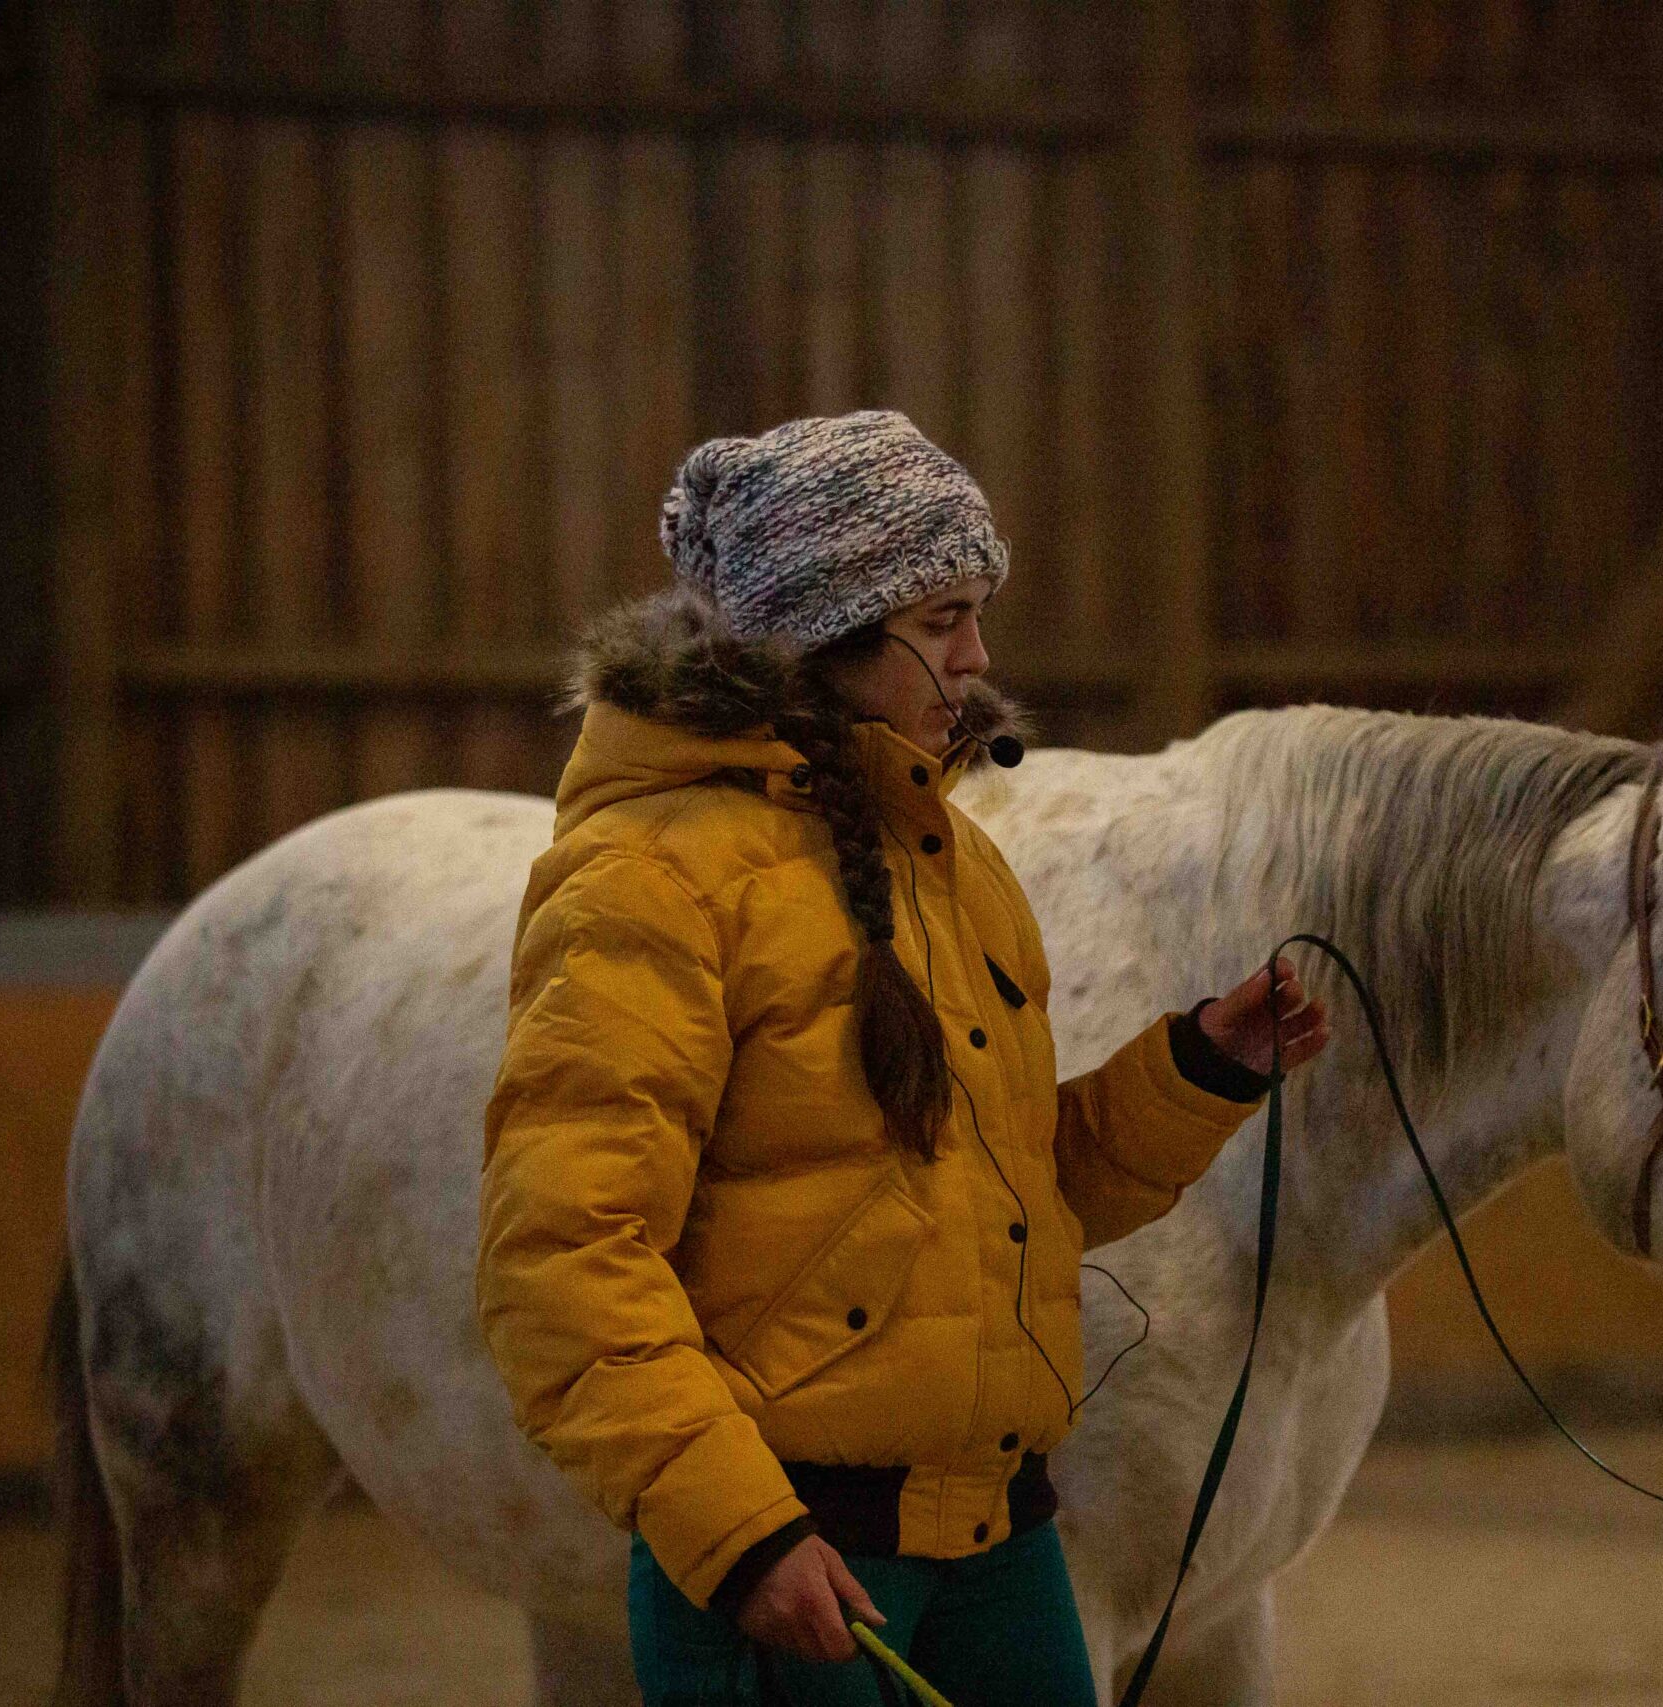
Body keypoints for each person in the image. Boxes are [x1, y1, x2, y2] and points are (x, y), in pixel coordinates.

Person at [475, 410, 1329, 1705]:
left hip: (998, 1534)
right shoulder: (646, 880)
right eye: (941, 618)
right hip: (799, 1556)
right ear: (820, 631)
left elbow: (1011, 1199)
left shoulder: (954, 865)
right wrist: (739, 1533)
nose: (979, 654)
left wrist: (1198, 1072)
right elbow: (564, 1263)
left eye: (975, 610)